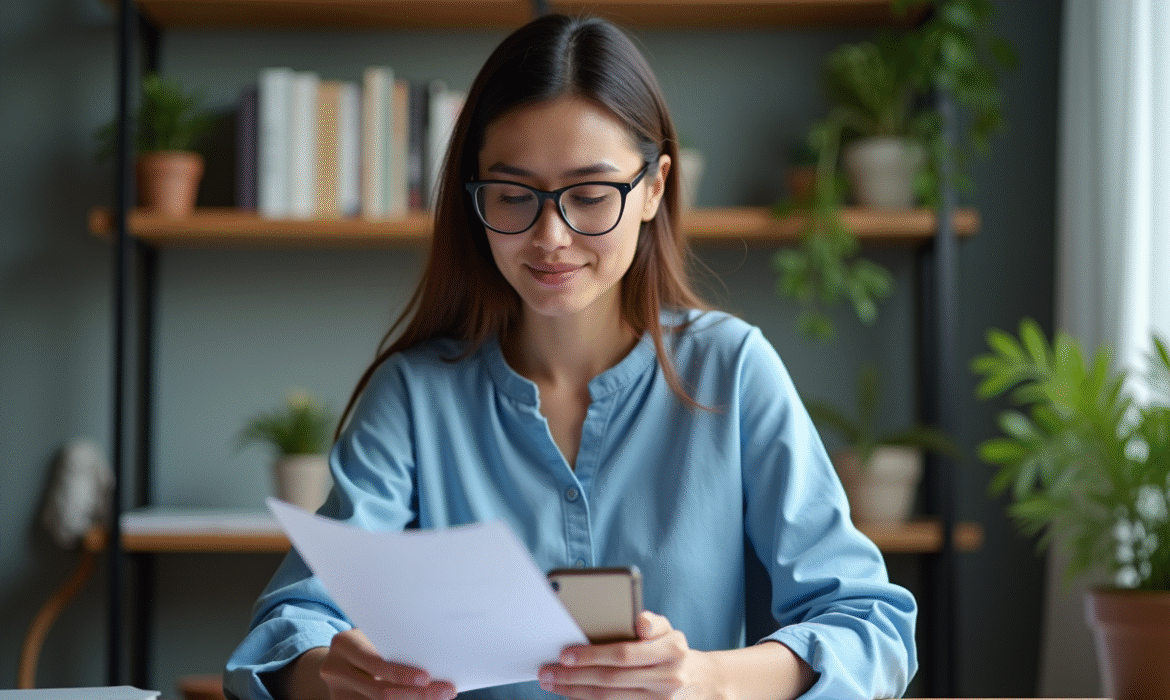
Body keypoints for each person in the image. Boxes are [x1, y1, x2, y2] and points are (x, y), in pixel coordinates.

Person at [224, 13, 917, 700]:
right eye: (512, 195)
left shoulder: (733, 370)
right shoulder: (413, 395)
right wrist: (333, 678)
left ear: (653, 189)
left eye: (590, 195)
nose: (550, 236)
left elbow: (872, 628)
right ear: (475, 199)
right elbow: (290, 629)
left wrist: (707, 679)